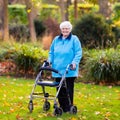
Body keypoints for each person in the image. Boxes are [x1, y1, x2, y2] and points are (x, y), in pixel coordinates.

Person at [47, 21, 82, 113]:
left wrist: (75, 62)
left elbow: (78, 52)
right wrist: (49, 60)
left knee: (68, 89)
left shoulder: (74, 39)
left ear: (70, 29)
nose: (65, 30)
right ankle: (62, 106)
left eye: (67, 28)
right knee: (59, 89)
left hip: (69, 69)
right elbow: (51, 52)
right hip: (57, 69)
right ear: (61, 29)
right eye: (63, 28)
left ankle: (69, 107)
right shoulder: (56, 39)